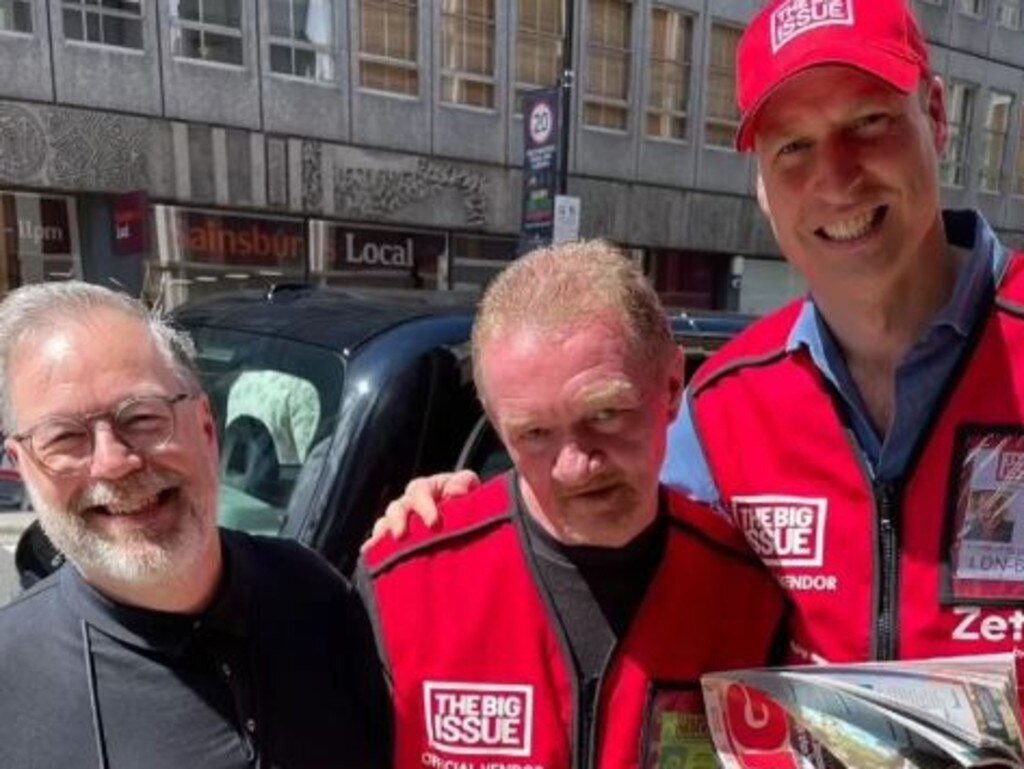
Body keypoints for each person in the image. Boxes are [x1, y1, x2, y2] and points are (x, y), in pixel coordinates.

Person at [375, 0, 1024, 694]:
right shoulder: (725, 406)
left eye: (868, 122)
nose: (836, 177)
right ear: (763, 186)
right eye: (793, 146)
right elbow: (602, 525)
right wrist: (462, 513)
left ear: (936, 115)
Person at [358, 241, 786, 768]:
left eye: (605, 414)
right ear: (496, 423)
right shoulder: (405, 584)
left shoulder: (749, 595)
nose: (574, 466)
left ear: (672, 385)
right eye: (534, 433)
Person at [0, 282, 390, 769]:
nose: (113, 462)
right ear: (22, 464)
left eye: (141, 418)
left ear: (206, 427)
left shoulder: (317, 597)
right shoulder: (9, 682)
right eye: (64, 438)